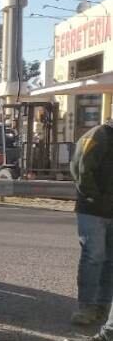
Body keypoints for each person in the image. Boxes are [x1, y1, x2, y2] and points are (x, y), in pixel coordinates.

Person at [64, 119, 113, 328]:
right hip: (93, 210)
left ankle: (103, 306)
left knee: (110, 260)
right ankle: (86, 307)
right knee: (94, 256)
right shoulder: (97, 136)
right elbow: (79, 168)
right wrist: (95, 198)